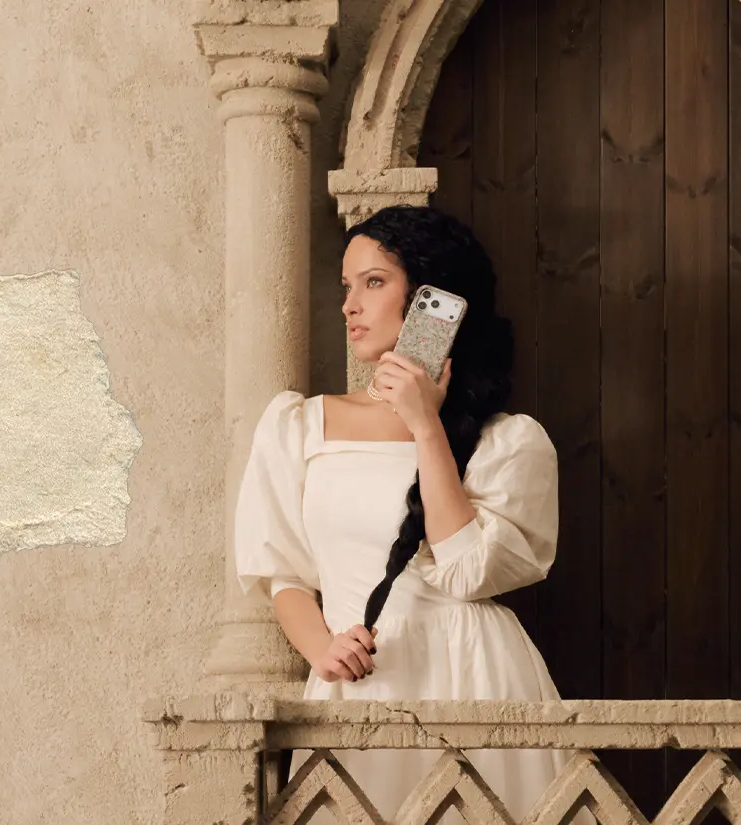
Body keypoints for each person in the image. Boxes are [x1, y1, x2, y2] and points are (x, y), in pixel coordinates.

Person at [232, 205, 577, 823]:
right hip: (360, 678)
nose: (349, 307)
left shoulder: (508, 441)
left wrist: (424, 422)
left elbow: (469, 572)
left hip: (477, 677)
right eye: (347, 286)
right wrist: (322, 650)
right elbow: (282, 573)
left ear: (431, 301)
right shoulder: (299, 425)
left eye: (373, 282)